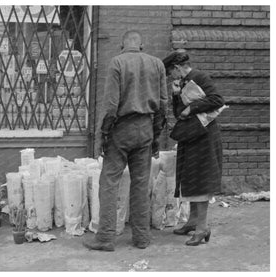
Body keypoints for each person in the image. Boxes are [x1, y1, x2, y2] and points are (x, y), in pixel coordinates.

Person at [83, 30, 168, 251]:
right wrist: (156, 136)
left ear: (122, 46)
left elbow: (111, 105)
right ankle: (141, 238)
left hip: (121, 129)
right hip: (146, 128)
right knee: (141, 184)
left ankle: (105, 238)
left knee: (109, 183)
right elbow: (163, 104)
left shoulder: (117, 63)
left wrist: (104, 134)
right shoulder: (157, 64)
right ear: (141, 46)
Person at [163, 50, 224, 246]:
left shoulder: (199, 77)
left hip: (204, 136)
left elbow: (217, 100)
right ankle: (192, 221)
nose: (170, 77)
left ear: (177, 68)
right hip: (191, 136)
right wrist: (175, 96)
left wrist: (192, 108)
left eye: (170, 72)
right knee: (190, 178)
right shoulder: (181, 83)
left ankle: (202, 228)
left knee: (202, 180)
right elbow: (178, 113)